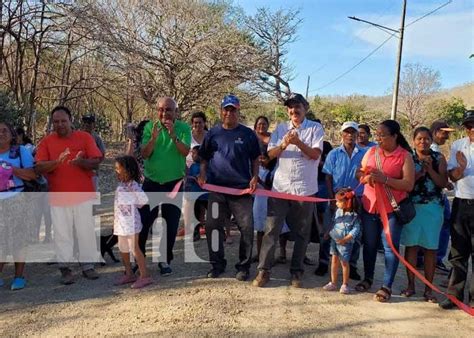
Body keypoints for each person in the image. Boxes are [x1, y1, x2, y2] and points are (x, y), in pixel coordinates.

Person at [253, 93, 324, 288]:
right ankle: (264, 271)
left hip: (305, 189)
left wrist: (298, 142)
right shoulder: (281, 129)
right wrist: (284, 143)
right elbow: (269, 155)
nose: (294, 110)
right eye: (290, 107)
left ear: (305, 107)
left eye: (297, 106)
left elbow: (315, 154)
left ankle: (296, 272)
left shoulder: (315, 128)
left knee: (301, 233)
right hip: (280, 188)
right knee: (271, 230)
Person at [35, 106, 103, 285]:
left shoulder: (84, 137)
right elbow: (39, 167)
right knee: (62, 233)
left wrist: (81, 162)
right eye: (56, 121)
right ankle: (65, 269)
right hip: (59, 197)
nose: (60, 125)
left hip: (83, 195)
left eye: (63, 121)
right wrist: (56, 163)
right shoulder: (47, 142)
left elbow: (96, 161)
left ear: (70, 121)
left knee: (85, 231)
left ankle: (88, 266)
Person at [198, 94, 260, 281]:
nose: (229, 113)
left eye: (233, 109)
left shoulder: (247, 134)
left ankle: (243, 266)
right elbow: (204, 157)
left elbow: (256, 158)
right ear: (221, 111)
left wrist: (255, 177)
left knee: (247, 228)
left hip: (241, 191)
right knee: (212, 227)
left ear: (238, 111)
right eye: (226, 109)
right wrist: (202, 173)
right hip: (217, 190)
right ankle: (217, 264)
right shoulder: (212, 134)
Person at [354, 119, 415, 302]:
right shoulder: (372, 152)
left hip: (392, 210)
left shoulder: (405, 156)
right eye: (377, 135)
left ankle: (386, 285)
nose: (379, 138)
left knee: (390, 248)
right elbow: (359, 172)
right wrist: (366, 178)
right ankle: (368, 278)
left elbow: (408, 184)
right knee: (370, 245)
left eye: (383, 135)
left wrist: (385, 179)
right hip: (369, 207)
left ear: (395, 136)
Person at [139, 97, 191, 276]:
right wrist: (153, 139)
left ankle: (164, 260)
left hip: (173, 184)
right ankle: (140, 259)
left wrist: (173, 136)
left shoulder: (183, 128)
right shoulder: (149, 127)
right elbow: (145, 154)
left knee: (170, 224)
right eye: (161, 109)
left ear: (175, 112)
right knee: (144, 222)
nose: (164, 113)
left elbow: (185, 151)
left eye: (168, 110)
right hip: (151, 183)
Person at [400, 127, 447, 303]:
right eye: (419, 139)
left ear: (431, 140)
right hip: (412, 208)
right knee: (411, 247)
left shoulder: (439, 158)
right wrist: (420, 173)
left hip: (433, 209)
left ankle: (429, 289)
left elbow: (443, 182)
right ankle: (411, 285)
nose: (423, 142)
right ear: (413, 141)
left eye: (427, 139)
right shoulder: (407, 157)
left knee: (430, 249)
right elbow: (406, 183)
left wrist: (430, 170)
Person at [320, 121, 367, 281]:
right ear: (342, 134)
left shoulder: (363, 154)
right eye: (346, 132)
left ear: (357, 135)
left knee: (355, 233)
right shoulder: (333, 154)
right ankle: (323, 262)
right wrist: (331, 197)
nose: (350, 135)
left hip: (355, 200)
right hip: (337, 198)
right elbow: (328, 175)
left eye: (353, 132)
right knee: (329, 229)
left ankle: (351, 266)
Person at [439, 109, 474, 310]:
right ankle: (454, 296)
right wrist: (460, 168)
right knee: (458, 252)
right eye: (468, 126)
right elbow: (452, 177)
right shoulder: (458, 146)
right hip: (461, 203)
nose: (472, 129)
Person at [0, 121, 36, 290]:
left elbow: (31, 175)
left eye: (4, 130)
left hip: (17, 198)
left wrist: (11, 169)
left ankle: (19, 276)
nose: (1, 134)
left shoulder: (21, 152)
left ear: (12, 134)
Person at [113, 155, 152, 289]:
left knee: (135, 248)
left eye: (118, 168)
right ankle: (129, 273)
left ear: (127, 170)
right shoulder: (122, 184)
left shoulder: (133, 185)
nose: (116, 171)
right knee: (123, 248)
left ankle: (144, 275)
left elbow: (143, 201)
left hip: (131, 222)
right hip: (121, 222)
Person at [322, 188, 361, 294]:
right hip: (335, 240)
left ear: (347, 202)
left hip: (345, 243)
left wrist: (345, 239)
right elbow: (333, 222)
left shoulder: (354, 216)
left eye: (339, 201)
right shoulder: (337, 212)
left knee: (344, 262)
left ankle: (345, 284)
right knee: (334, 260)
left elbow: (356, 230)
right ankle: (333, 282)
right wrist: (327, 233)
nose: (336, 203)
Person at [430, 120, 455, 273]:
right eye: (444, 133)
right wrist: (446, 183)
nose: (446, 136)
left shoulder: (432, 149)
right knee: (444, 224)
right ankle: (437, 258)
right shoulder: (434, 152)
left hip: (433, 194)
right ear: (436, 132)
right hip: (435, 195)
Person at [184, 145, 208, 242]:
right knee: (195, 215)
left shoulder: (207, 166)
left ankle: (218, 232)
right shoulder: (193, 166)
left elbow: (210, 176)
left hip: (207, 195)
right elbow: (189, 177)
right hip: (195, 195)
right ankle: (195, 233)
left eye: (194, 153)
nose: (192, 155)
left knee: (212, 215)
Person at [81, 115, 105, 191]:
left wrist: (93, 163)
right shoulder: (78, 136)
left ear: (93, 124)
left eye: (89, 122)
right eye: (85, 122)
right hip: (79, 172)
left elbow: (102, 155)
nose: (87, 124)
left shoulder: (97, 138)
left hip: (93, 172)